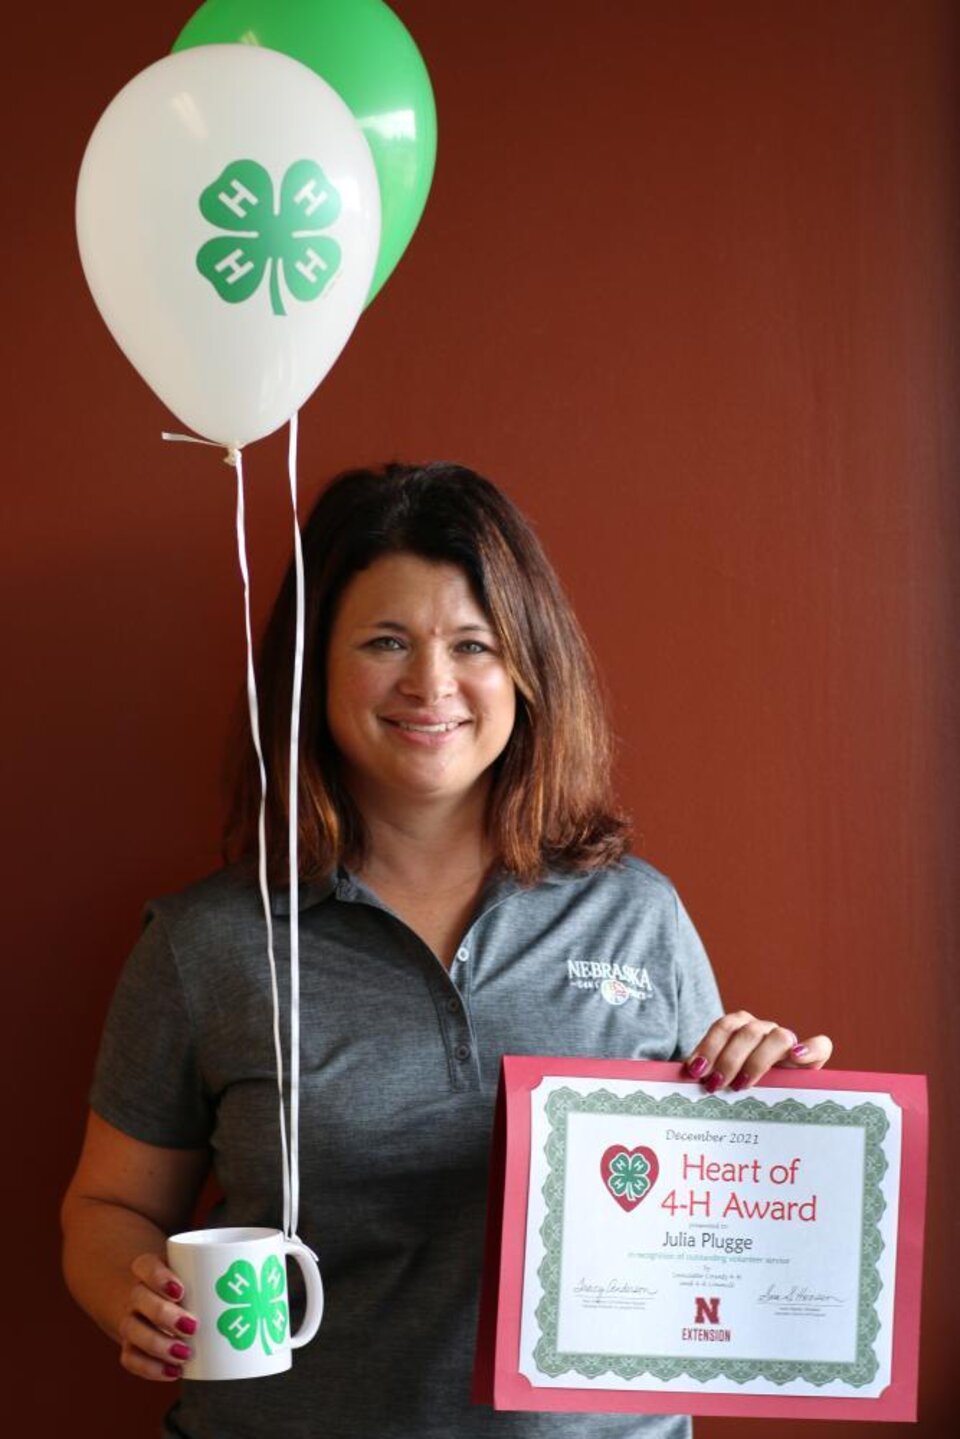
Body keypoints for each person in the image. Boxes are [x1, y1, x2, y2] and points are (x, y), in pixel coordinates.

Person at [61, 462, 832, 1439]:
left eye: (473, 643)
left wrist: (769, 1094)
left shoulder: (637, 916)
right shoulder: (206, 943)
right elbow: (105, 1205)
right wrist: (132, 1295)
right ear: (312, 669)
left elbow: (712, 1217)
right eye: (386, 640)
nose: (431, 682)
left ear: (525, 670)